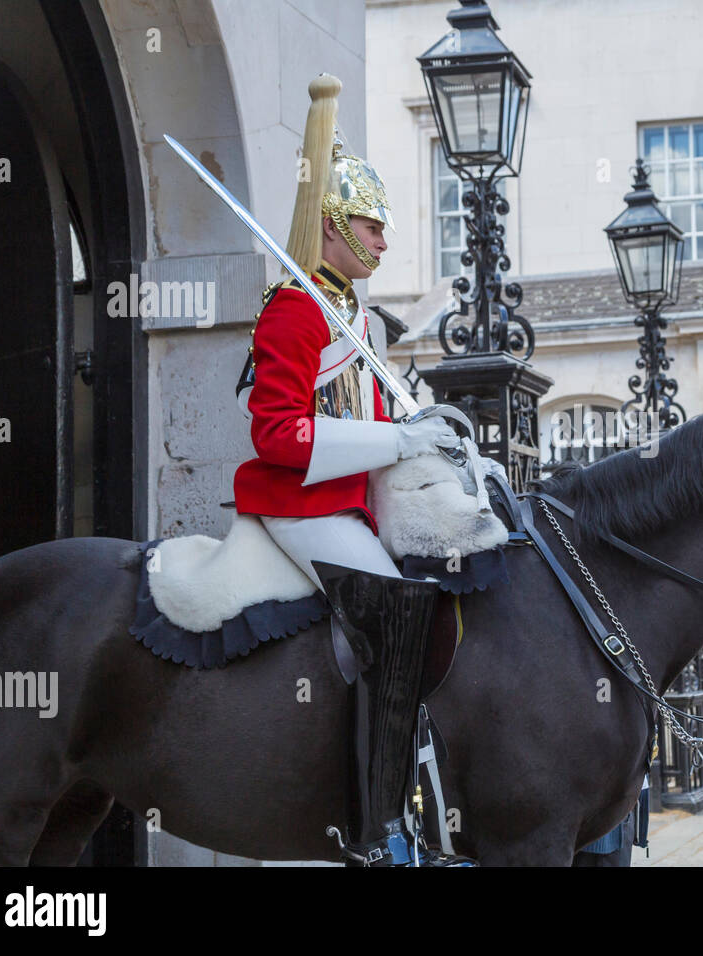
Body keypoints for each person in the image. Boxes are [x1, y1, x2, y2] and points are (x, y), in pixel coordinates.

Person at [234, 74, 462, 864]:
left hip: (345, 503)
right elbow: (279, 435)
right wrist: (395, 444)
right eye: (371, 225)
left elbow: (371, 420)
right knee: (397, 615)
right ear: (330, 226)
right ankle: (374, 827)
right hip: (295, 503)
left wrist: (423, 436)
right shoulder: (294, 311)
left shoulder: (354, 316)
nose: (384, 240)